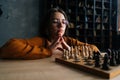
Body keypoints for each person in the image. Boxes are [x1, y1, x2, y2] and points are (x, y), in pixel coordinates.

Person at [0, 7, 100, 60]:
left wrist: (70, 50)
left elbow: (95, 49)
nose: (61, 26)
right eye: (55, 22)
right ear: (47, 26)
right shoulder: (41, 41)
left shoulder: (68, 41)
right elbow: (8, 47)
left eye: (64, 22)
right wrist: (47, 51)